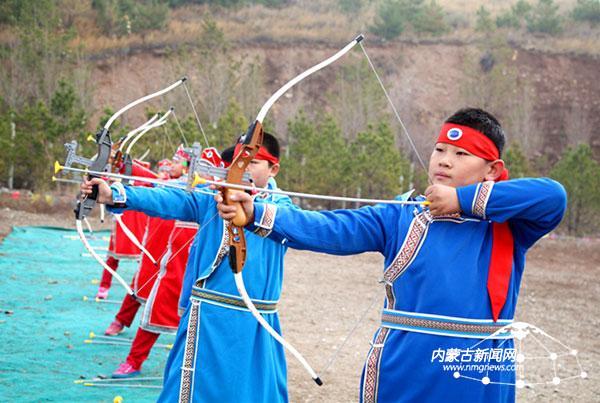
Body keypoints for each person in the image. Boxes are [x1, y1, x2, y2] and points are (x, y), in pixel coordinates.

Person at [216, 108, 567, 403]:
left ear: (492, 170)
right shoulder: (401, 215)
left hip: (480, 369)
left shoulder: (506, 226)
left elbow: (553, 196)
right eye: (440, 150)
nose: (445, 161)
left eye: (461, 155)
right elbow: (331, 228)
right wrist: (256, 214)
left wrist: (461, 201)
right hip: (406, 363)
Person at [81, 133, 295, 402]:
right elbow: (169, 199)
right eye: (238, 161)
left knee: (253, 392)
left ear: (273, 168)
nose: (242, 168)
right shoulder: (213, 197)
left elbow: (296, 224)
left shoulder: (282, 208)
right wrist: (114, 193)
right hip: (206, 318)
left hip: (254, 321)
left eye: (253, 162)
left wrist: (253, 210)